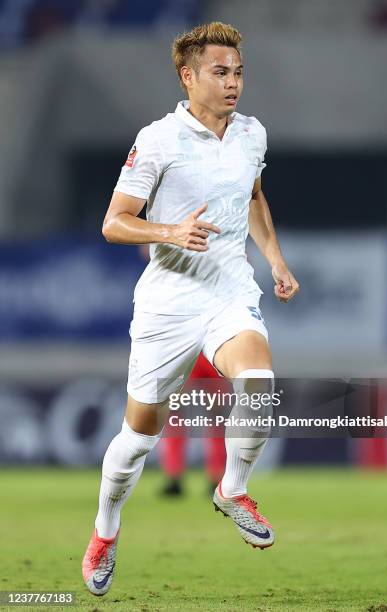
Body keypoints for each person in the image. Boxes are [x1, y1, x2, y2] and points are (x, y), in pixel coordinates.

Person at [82, 21, 299, 596]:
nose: (233, 83)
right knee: (138, 441)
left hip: (229, 290)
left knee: (258, 381)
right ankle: (106, 530)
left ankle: (231, 489)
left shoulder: (252, 133)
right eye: (220, 72)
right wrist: (171, 231)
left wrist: (274, 259)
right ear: (189, 76)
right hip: (169, 302)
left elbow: (252, 195)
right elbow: (113, 222)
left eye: (238, 72)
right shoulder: (158, 139)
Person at [159, 352, 226, 496]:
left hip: (192, 351)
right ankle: (176, 477)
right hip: (205, 352)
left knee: (178, 416)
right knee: (214, 419)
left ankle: (175, 478)